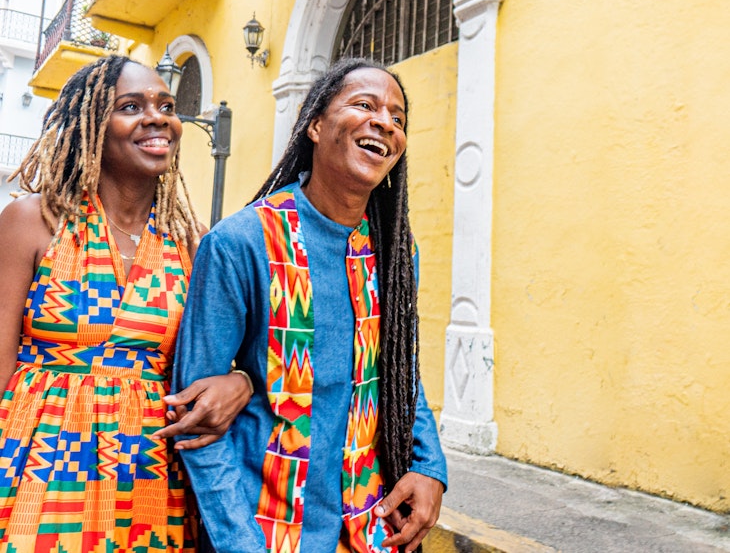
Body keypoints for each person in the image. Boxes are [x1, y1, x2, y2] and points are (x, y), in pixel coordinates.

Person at [165, 57, 447, 553]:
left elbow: (402, 373)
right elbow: (194, 418)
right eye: (364, 105)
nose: (385, 121)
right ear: (315, 125)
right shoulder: (241, 242)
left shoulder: (396, 255)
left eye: (398, 118)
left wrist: (428, 467)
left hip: (370, 527)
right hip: (264, 528)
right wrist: (237, 540)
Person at [0, 55, 251, 552]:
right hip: (38, 461)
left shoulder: (192, 243)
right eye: (131, 106)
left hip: (149, 472)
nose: (157, 117)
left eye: (166, 106)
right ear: (91, 126)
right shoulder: (34, 221)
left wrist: (240, 381)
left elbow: (233, 358)